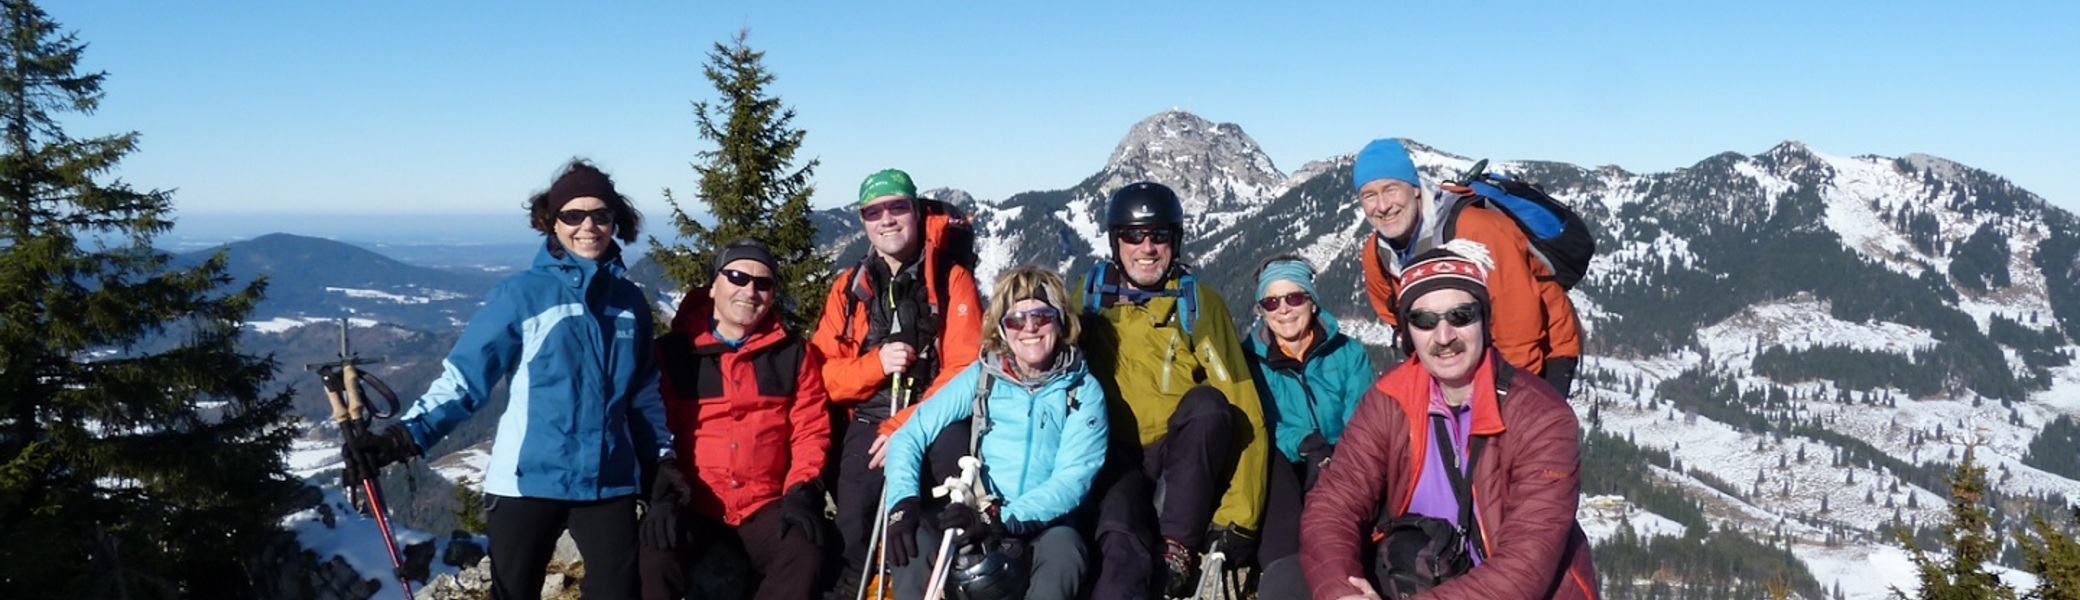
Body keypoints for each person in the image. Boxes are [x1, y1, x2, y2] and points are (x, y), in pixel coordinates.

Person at [341, 159, 671, 600]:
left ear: (616, 220)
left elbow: (643, 394)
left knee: (618, 591)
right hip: (527, 480)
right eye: (572, 215)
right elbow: (464, 381)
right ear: (552, 223)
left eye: (600, 214)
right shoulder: (521, 295)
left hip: (607, 480)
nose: (587, 226)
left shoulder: (630, 303)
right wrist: (401, 438)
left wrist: (662, 461)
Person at [1290, 240, 1598, 600]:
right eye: (1423, 320)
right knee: (1287, 579)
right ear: (1408, 332)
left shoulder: (1541, 417)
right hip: (1421, 571)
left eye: (1461, 316)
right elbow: (1334, 503)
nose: (1443, 336)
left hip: (1513, 591)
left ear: (1484, 320)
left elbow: (1524, 568)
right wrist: (1341, 590)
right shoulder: (1391, 400)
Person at [1074, 181, 1269, 600]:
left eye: (1159, 235)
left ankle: (1177, 547)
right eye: (1133, 235)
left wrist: (1240, 517)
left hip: (1178, 456)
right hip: (1114, 455)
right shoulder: (1090, 298)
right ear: (1115, 241)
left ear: (1174, 240)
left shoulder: (1198, 304)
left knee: (1208, 405)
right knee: (1120, 544)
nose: (1147, 247)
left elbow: (1242, 406)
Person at [877, 265, 1108, 600]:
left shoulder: (1083, 392)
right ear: (1002, 328)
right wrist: (904, 502)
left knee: (1064, 552)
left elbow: (1071, 481)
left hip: (1039, 523)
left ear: (1061, 321)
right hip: (979, 507)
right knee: (913, 543)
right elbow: (911, 434)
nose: (1029, 328)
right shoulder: (983, 377)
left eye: (1042, 316)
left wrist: (997, 518)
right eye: (1015, 319)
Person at [810, 168, 985, 600]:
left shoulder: (951, 279)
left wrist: (905, 425)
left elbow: (965, 365)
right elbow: (822, 376)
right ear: (864, 221)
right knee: (856, 511)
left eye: (897, 207)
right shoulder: (848, 289)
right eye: (874, 211)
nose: (886, 218)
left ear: (917, 212)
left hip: (937, 415)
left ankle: (956, 577)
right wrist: (875, 364)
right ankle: (865, 582)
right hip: (869, 418)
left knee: (948, 495)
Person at [639, 239, 833, 600]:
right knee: (655, 557)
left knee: (804, 554)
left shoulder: (791, 354)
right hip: (694, 501)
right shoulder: (675, 353)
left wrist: (801, 492)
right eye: (738, 277)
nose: (750, 290)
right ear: (713, 286)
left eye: (763, 283)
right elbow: (655, 427)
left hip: (765, 504)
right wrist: (663, 495)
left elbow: (810, 431)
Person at [1351, 138, 1582, 397]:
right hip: (1464, 351)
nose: (1382, 206)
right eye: (1369, 195)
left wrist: (1511, 394)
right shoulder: (1376, 253)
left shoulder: (1476, 229)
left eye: (1391, 189)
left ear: (1415, 188)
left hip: (1542, 349)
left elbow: (1519, 322)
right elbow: (1397, 317)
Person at [1239, 256, 1376, 569]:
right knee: (1272, 468)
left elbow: (1364, 418)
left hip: (1344, 462)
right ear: (1261, 311)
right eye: (1271, 302)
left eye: (1294, 298)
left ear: (1312, 303)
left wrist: (1336, 456)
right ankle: (1285, 570)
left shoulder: (1348, 353)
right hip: (1285, 467)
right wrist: (1305, 442)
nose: (1283, 309)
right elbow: (1260, 423)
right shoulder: (1251, 363)